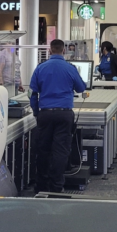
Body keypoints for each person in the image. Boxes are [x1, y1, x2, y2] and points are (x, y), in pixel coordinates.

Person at [30, 39, 87, 193]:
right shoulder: (70, 68)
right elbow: (82, 87)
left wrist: (36, 112)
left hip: (45, 114)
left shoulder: (40, 68)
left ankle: (41, 186)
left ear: (50, 50)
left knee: (43, 150)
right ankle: (57, 186)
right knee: (60, 150)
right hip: (64, 114)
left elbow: (33, 94)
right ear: (63, 51)